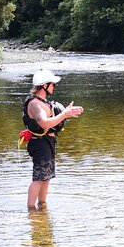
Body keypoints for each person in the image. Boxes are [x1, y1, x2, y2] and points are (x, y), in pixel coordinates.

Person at [22, 69, 84, 209]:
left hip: (48, 142)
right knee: (39, 178)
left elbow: (53, 120)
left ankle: (42, 208)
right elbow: (44, 123)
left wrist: (65, 113)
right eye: (53, 84)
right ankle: (31, 211)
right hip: (39, 144)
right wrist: (64, 115)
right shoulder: (35, 104)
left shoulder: (43, 101)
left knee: (46, 177)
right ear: (44, 85)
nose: (54, 87)